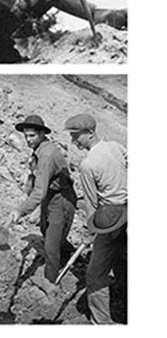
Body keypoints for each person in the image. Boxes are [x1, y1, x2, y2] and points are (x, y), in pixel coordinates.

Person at [64, 113, 127, 324]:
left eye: (76, 136)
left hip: (111, 216)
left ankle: (103, 324)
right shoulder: (116, 147)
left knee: (95, 275)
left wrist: (89, 233)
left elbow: (91, 205)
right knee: (122, 263)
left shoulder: (88, 164)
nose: (73, 141)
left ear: (90, 133)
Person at [7, 114, 77, 288]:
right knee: (44, 228)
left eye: (32, 136)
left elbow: (39, 192)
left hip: (62, 199)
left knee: (51, 247)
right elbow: (33, 176)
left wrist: (20, 211)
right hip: (50, 195)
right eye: (26, 136)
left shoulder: (46, 155)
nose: (28, 140)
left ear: (41, 134)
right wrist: (26, 193)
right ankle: (68, 252)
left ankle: (51, 283)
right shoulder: (38, 150)